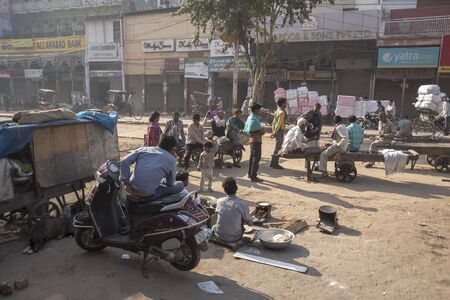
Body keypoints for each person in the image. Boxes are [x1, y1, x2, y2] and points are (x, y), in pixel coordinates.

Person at [120, 135, 183, 199]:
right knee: (180, 184)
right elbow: (170, 183)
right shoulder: (171, 159)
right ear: (173, 149)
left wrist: (126, 183)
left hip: (131, 188)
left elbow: (124, 162)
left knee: (132, 172)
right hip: (147, 194)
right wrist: (163, 181)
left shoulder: (143, 149)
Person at [213, 177, 252, 243]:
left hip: (219, 236)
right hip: (234, 238)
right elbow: (250, 224)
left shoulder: (219, 201)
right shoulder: (242, 204)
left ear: (224, 190)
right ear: (236, 188)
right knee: (242, 218)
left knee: (214, 224)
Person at [244, 103, 265, 182]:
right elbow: (253, 130)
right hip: (256, 140)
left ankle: (250, 174)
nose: (260, 111)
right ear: (256, 110)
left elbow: (248, 129)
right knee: (256, 158)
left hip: (252, 140)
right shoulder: (254, 120)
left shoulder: (251, 117)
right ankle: (253, 176)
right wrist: (261, 131)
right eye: (259, 110)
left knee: (252, 157)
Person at [270, 98, 287, 169]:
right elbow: (279, 123)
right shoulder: (282, 112)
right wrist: (274, 132)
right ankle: (275, 164)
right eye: (286, 103)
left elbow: (274, 122)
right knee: (278, 148)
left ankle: (272, 163)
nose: (287, 104)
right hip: (280, 131)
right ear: (282, 103)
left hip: (277, 131)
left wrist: (273, 130)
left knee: (277, 147)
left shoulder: (277, 111)